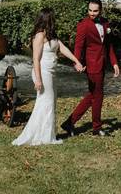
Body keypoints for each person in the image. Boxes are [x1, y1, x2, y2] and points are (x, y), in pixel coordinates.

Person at [12, 8, 83, 146]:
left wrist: (76, 61)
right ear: (47, 19)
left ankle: (46, 133)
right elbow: (35, 59)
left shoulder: (51, 35)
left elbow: (63, 48)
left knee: (49, 102)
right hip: (42, 72)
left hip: (51, 72)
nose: (54, 20)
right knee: (46, 102)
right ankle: (43, 136)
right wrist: (38, 79)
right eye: (52, 18)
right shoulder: (39, 35)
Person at [61, 0, 120, 137]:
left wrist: (114, 63)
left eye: (95, 11)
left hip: (103, 63)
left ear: (100, 10)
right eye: (90, 10)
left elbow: (108, 45)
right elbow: (78, 45)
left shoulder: (105, 23)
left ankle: (69, 123)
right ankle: (96, 128)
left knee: (93, 95)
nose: (92, 13)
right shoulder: (84, 25)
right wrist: (76, 62)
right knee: (98, 95)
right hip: (92, 65)